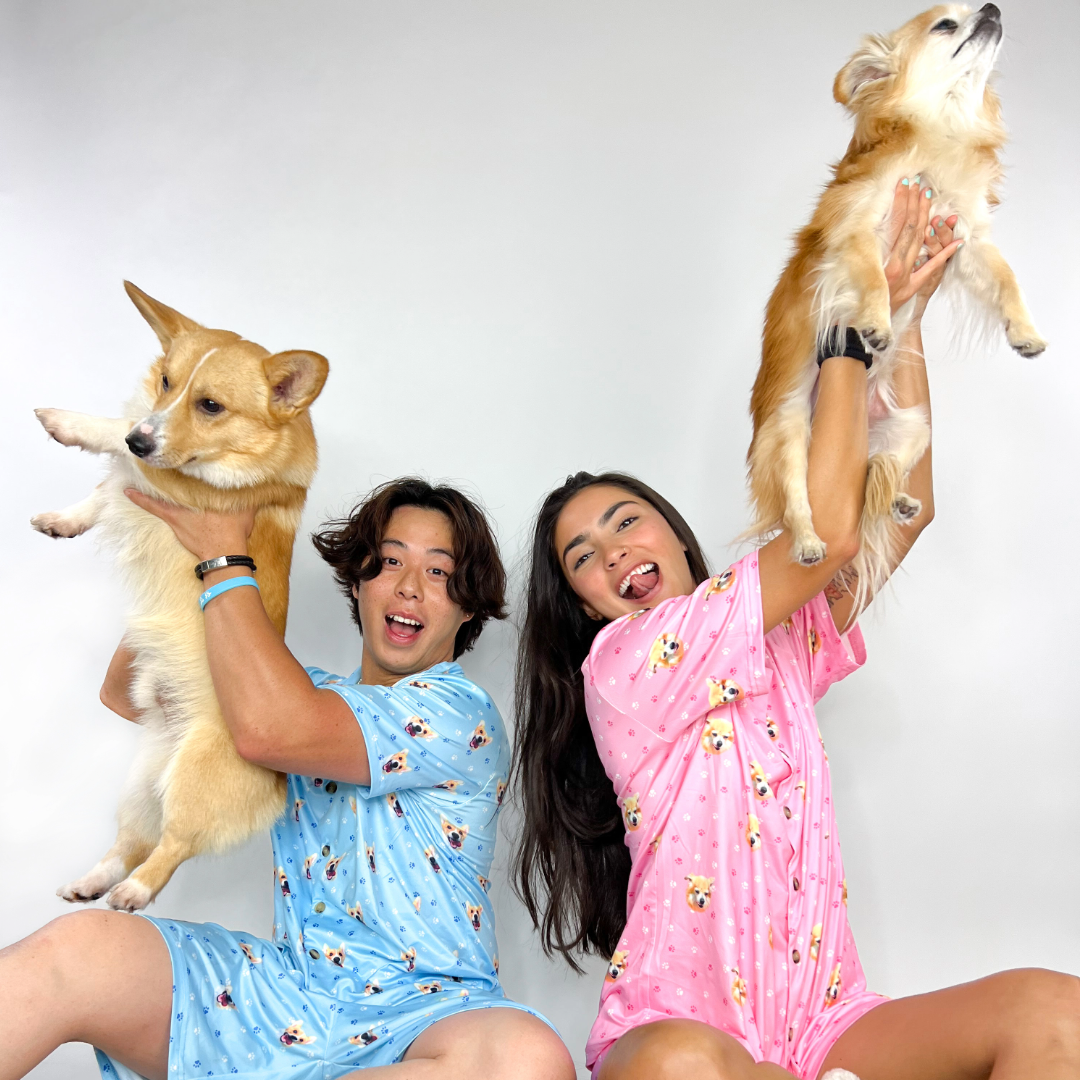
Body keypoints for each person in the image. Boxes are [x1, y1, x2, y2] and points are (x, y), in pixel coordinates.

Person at [513, 179, 1080, 1080]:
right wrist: (849, 328)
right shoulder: (621, 664)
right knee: (686, 1067)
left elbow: (906, 509)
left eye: (625, 521)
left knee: (1055, 1011)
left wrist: (904, 324)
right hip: (677, 1032)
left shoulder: (775, 639)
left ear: (670, 532)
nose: (613, 552)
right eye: (583, 557)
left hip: (824, 1022)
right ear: (586, 608)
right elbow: (828, 534)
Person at [1, 478, 573, 1080]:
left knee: (525, 1059)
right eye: (390, 561)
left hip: (428, 1019)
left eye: (438, 573)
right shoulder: (300, 696)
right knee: (81, 952)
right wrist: (191, 538)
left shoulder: (457, 710)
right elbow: (130, 689)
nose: (408, 585)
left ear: (468, 604)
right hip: (285, 999)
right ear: (359, 580)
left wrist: (225, 558)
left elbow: (271, 730)